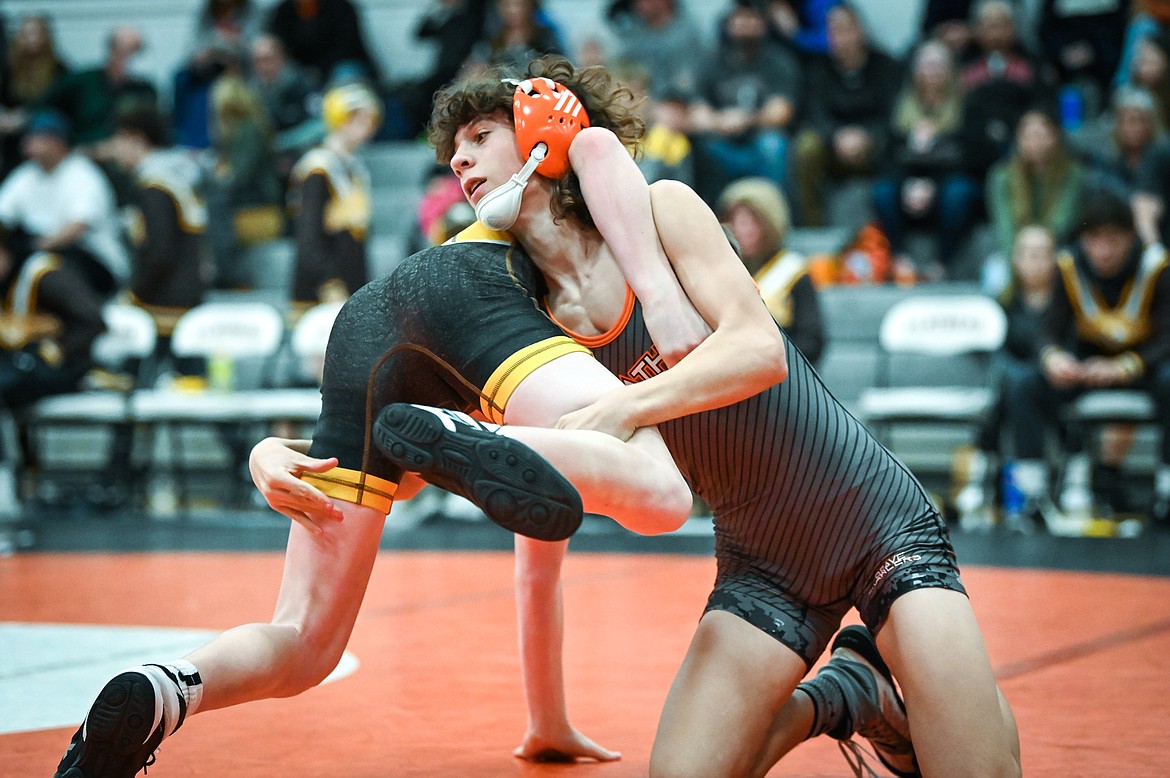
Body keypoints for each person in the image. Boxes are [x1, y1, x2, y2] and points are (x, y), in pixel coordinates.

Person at [56, 57, 1021, 778]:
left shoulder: (665, 211)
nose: (460, 162)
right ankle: (844, 696)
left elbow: (757, 352)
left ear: (540, 131)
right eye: (449, 153)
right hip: (765, 562)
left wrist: (622, 408)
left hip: (872, 516)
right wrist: (285, 452)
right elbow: (539, 502)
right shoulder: (527, 321)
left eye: (477, 137)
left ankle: (871, 682)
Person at [1000, 191, 1170, 528]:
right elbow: (1048, 329)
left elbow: (1168, 337)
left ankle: (1166, 493)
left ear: (1131, 237)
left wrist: (1125, 366)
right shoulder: (1069, 266)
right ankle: (1032, 498)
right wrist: (1054, 357)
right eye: (1093, 240)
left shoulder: (1157, 268)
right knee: (1025, 384)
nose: (1103, 251)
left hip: (1144, 365)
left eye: (1113, 240)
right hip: (1089, 365)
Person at [871, 39, 979, 280]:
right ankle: (899, 258)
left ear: (950, 69)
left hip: (947, 186)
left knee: (958, 193)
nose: (932, 72)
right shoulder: (899, 106)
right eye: (926, 65)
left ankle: (942, 263)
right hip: (908, 189)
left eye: (938, 65)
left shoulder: (966, 106)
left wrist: (933, 184)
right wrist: (907, 184)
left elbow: (973, 158)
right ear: (915, 70)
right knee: (883, 192)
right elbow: (887, 158)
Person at [790, 2, 902, 227]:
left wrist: (867, 137)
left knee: (901, 142)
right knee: (805, 146)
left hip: (875, 146)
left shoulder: (886, 67)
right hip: (833, 146)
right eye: (833, 32)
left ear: (860, 31)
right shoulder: (817, 69)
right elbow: (813, 113)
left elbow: (894, 115)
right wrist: (836, 137)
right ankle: (814, 227)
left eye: (846, 29)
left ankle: (892, 232)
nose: (840, 38)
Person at [687, 0, 802, 204]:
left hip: (760, 140)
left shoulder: (778, 61)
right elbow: (697, 114)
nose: (745, 25)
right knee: (701, 148)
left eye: (751, 18)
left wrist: (747, 119)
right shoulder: (711, 61)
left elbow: (782, 111)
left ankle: (776, 214)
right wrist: (720, 121)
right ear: (727, 24)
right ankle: (712, 220)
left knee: (774, 146)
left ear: (763, 23)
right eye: (740, 18)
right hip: (722, 142)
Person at [287, 80, 380, 316]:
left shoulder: (354, 168)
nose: (369, 127)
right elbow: (309, 235)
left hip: (349, 283)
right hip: (323, 290)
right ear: (340, 119)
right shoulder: (318, 168)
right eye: (359, 119)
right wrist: (329, 282)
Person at [716, 176, 825, 365]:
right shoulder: (719, 269)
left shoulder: (793, 270)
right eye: (735, 220)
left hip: (782, 375)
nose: (743, 229)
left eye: (752, 221)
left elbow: (812, 340)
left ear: (771, 223)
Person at [985, 108, 1086, 257]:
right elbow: (1005, 229)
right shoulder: (1001, 176)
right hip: (1016, 252)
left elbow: (1062, 222)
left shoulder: (1073, 174)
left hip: (1058, 249)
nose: (1035, 142)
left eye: (1040, 135)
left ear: (1055, 136)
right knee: (995, 272)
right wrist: (1022, 258)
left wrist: (1039, 253)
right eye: (1028, 136)